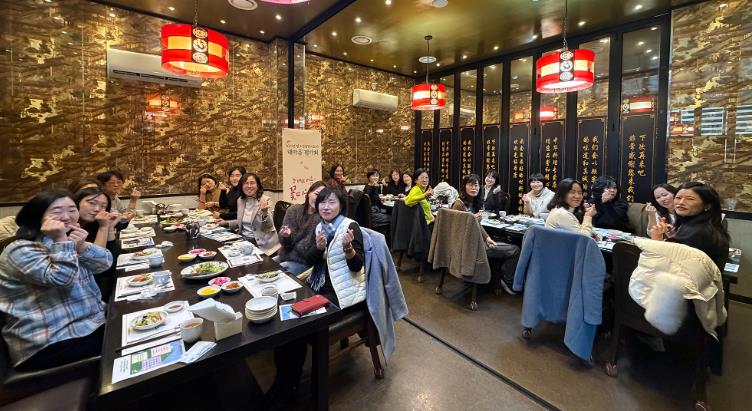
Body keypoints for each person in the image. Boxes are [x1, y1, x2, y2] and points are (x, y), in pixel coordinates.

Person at [269, 187, 365, 404]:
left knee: (296, 325)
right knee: (284, 319)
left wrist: (348, 249)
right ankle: (281, 381)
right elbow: (311, 261)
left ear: (341, 205)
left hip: (342, 290)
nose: (326, 207)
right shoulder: (321, 226)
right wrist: (319, 248)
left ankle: (289, 385)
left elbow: (357, 266)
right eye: (322, 202)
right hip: (320, 284)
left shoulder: (350, 226)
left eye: (332, 202)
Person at [0, 190, 112, 371]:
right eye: (57, 211)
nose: (66, 216)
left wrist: (82, 246)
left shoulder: (67, 240)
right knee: (131, 340)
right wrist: (62, 241)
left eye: (72, 210)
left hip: (90, 323)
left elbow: (103, 264)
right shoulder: (19, 249)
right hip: (51, 341)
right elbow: (62, 279)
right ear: (37, 215)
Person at [452, 175, 520, 294]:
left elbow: (477, 225)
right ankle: (507, 281)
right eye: (470, 185)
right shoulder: (459, 204)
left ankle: (495, 277)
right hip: (470, 247)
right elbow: (457, 230)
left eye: (476, 185)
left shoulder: (474, 202)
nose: (474, 188)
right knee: (515, 250)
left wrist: (487, 237)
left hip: (477, 242)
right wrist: (472, 220)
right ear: (464, 186)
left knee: (503, 243)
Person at [649, 181, 730, 271]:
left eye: (690, 199)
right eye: (678, 198)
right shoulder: (697, 223)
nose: (681, 202)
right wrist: (675, 237)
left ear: (707, 205)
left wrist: (656, 238)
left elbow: (664, 263)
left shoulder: (699, 231)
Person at [74, 186, 121, 301]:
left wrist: (110, 227)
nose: (97, 209)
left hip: (100, 283)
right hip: (84, 292)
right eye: (92, 203)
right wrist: (103, 227)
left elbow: (113, 260)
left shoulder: (94, 225)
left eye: (103, 206)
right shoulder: (71, 229)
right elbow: (97, 262)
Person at [218, 173, 281, 256]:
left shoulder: (265, 200)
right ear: (241, 186)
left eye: (252, 183)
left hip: (262, 244)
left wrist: (265, 212)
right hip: (244, 240)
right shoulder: (240, 200)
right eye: (246, 183)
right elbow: (243, 222)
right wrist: (226, 223)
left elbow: (269, 227)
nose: (249, 186)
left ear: (258, 185)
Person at [276, 181, 325, 275]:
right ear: (308, 193)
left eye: (322, 197)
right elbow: (284, 242)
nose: (318, 198)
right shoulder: (293, 210)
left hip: (304, 262)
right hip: (284, 256)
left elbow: (307, 250)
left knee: (278, 275)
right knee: (265, 266)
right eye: (316, 194)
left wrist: (292, 242)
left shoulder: (322, 218)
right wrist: (286, 236)